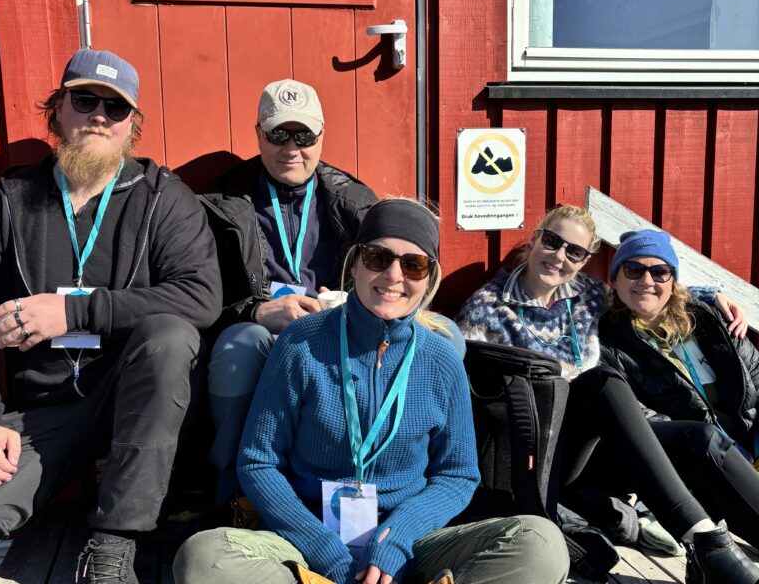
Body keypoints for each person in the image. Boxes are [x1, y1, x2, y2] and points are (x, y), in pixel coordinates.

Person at [174, 198, 569, 584]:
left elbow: (457, 474)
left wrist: (397, 538)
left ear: (430, 278)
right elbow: (259, 462)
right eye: (378, 258)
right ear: (356, 265)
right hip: (307, 540)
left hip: (411, 544)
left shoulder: (441, 359)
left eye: (414, 265)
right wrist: (322, 548)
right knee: (205, 558)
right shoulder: (300, 343)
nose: (394, 276)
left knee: (541, 544)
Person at [0, 49, 221, 584]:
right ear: (57, 111)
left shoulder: (161, 198)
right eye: (85, 100)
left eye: (116, 108)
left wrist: (73, 311)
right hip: (46, 411)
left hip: (140, 401)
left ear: (132, 127)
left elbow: (200, 297)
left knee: (170, 335)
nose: (99, 115)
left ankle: (114, 546)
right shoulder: (6, 202)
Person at [456, 205, 759, 583]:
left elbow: (649, 294)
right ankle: (702, 538)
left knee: (702, 439)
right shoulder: (487, 309)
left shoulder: (587, 296)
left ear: (584, 262)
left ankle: (709, 549)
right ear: (534, 240)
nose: (559, 256)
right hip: (539, 455)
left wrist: (713, 295)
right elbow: (464, 399)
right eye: (552, 241)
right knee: (602, 380)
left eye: (575, 252)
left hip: (597, 448)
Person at [202, 79, 464, 505]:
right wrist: (257, 311)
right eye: (278, 134)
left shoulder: (354, 199)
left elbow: (392, 275)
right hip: (267, 331)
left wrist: (350, 303)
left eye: (304, 135)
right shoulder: (219, 202)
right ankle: (237, 489)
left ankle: (416, 487)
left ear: (321, 137)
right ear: (258, 134)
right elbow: (200, 293)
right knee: (239, 345)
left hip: (344, 325)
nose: (292, 147)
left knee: (446, 336)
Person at [598, 229, 759, 550]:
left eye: (659, 271)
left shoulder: (710, 318)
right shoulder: (608, 341)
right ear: (614, 279)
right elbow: (642, 421)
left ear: (673, 281)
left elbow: (755, 375)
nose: (647, 280)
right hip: (701, 461)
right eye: (633, 270)